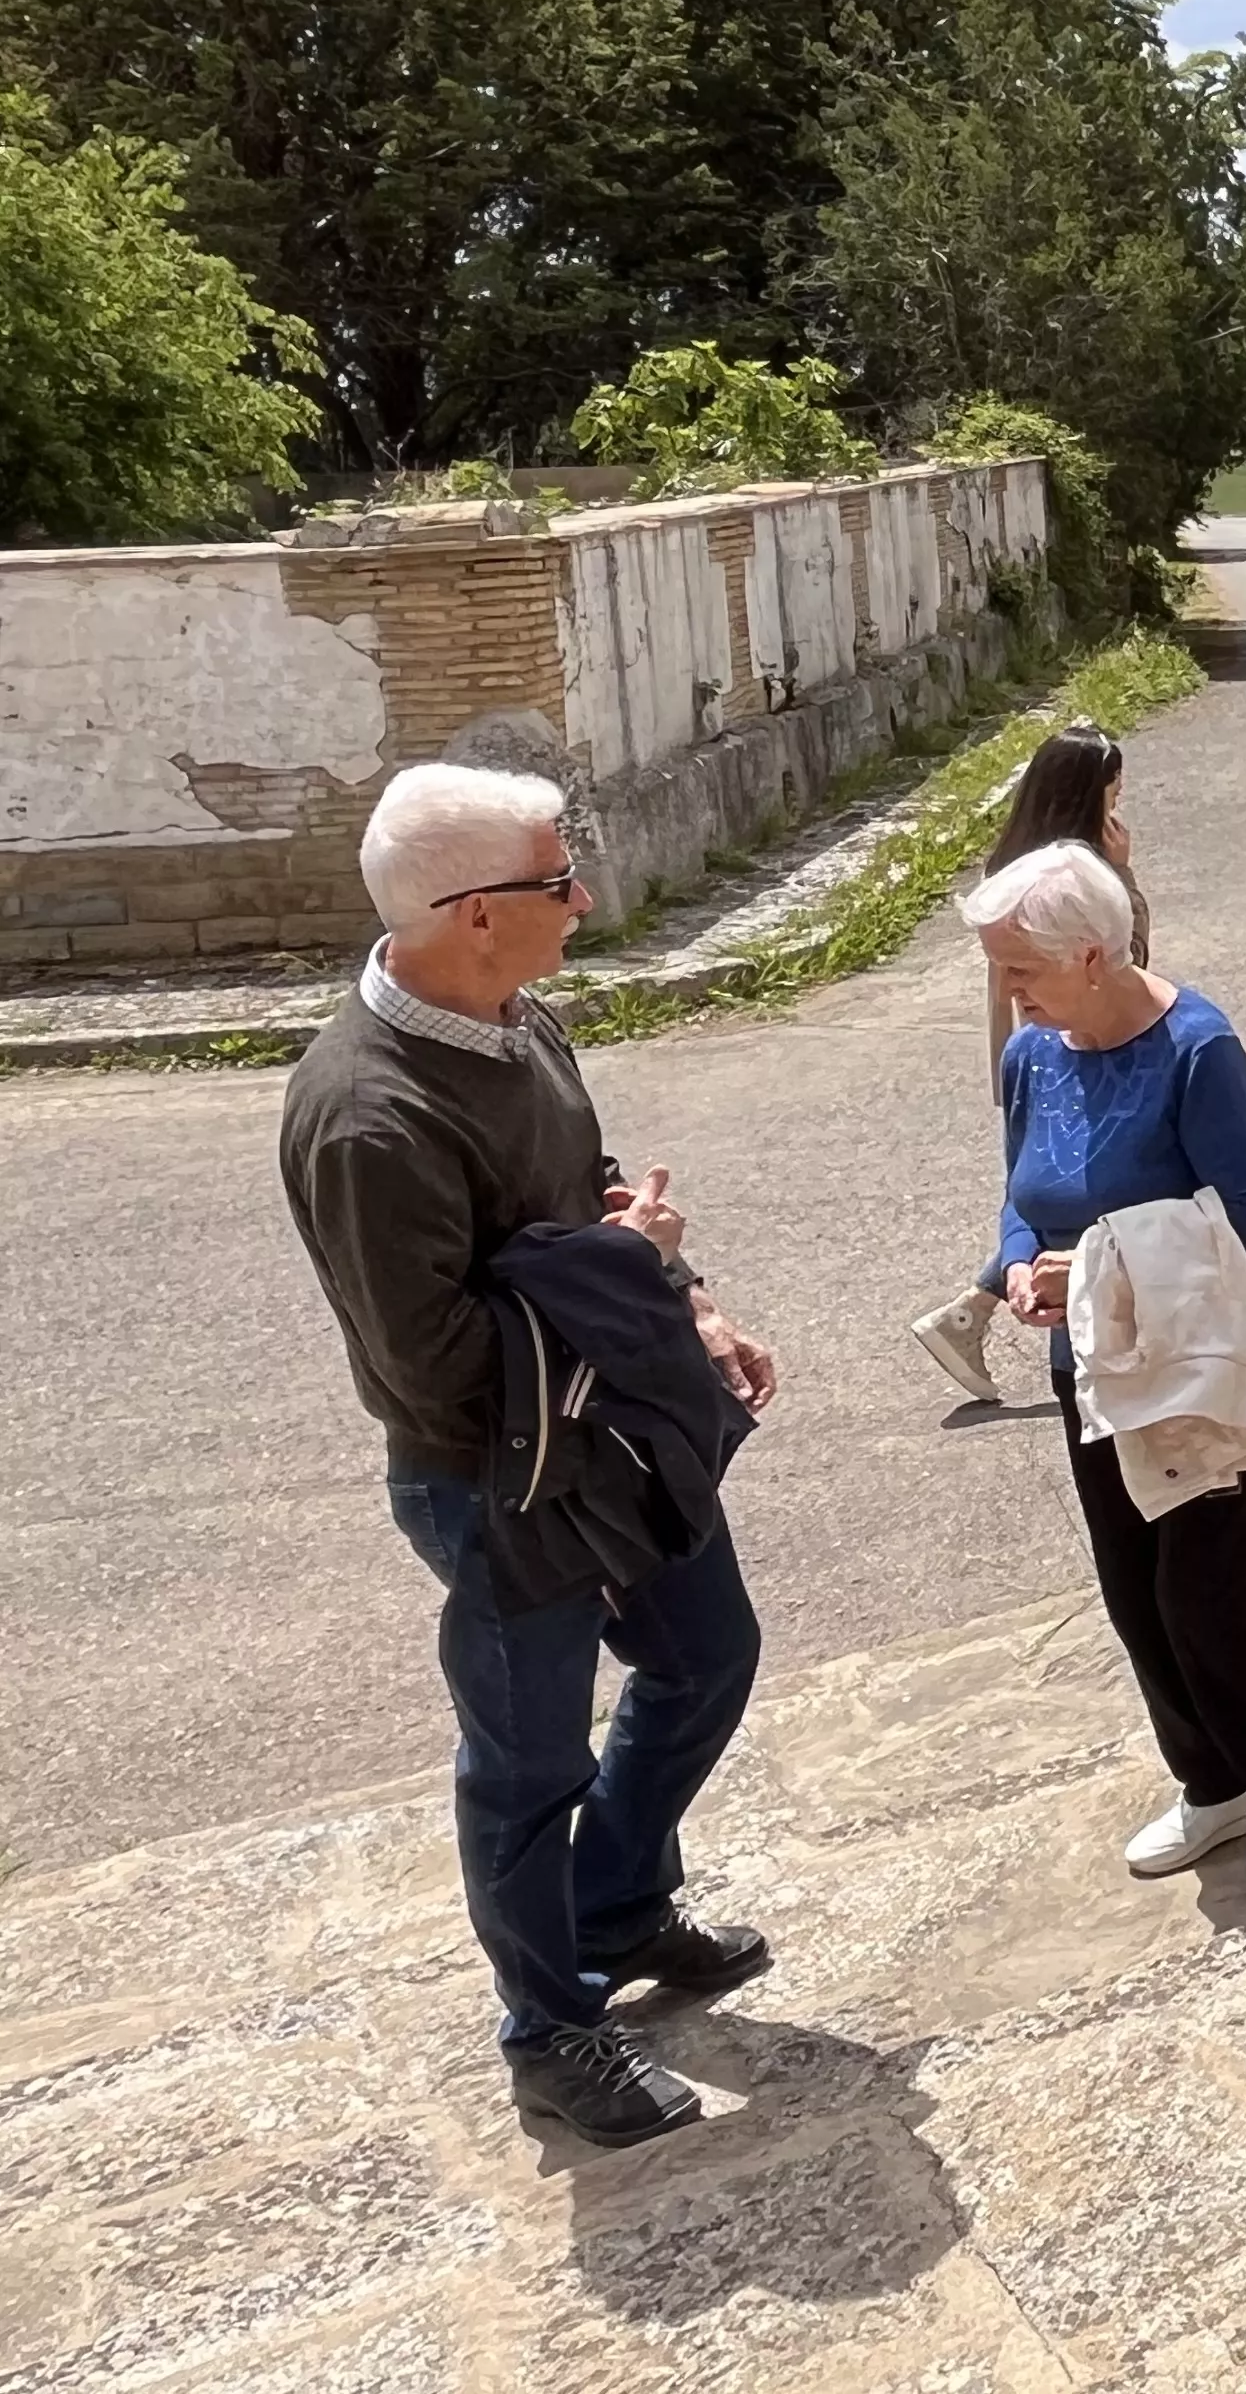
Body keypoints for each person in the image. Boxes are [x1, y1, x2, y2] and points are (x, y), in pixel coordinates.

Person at [279, 762, 783, 2146]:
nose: (587, 897)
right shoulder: (367, 1116)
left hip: (607, 1434)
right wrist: (627, 1276)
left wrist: (688, 1301)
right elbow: (434, 1366)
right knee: (525, 1764)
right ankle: (549, 2031)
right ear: (475, 913)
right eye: (560, 878)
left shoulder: (516, 1020)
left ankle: (612, 1906)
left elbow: (591, 1193)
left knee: (706, 1657)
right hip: (490, 1483)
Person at [965, 841, 1246, 1882]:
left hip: (1199, 1362)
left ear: (1092, 955)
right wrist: (1018, 1264)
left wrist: (1090, 1265)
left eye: (1021, 969)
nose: (1007, 991)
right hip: (1091, 1365)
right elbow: (1022, 1191)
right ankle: (1213, 1782)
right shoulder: (1031, 1054)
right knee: (1135, 1592)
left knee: (1206, 1594)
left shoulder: (1196, 1046)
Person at [914, 722, 1149, 1401]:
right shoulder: (1076, 881)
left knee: (1050, 1191)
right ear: (1088, 792)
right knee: (1082, 1197)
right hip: (1077, 1055)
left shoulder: (1014, 864)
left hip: (1032, 1054)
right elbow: (1129, 963)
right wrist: (1124, 873)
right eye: (1113, 790)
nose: (1119, 802)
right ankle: (985, 1314)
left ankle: (974, 1312)